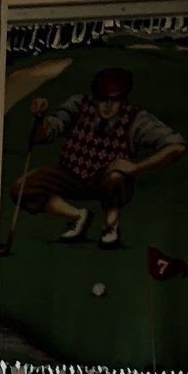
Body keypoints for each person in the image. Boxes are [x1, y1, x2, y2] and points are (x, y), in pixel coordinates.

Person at [12, 66, 184, 247]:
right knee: (20, 188)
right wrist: (40, 119)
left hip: (105, 178)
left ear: (123, 100)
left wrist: (136, 167)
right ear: (95, 97)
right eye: (103, 99)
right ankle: (78, 216)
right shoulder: (78, 105)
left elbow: (177, 147)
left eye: (115, 100)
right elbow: (42, 137)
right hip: (70, 172)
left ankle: (110, 225)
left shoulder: (136, 118)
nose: (108, 106)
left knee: (117, 177)